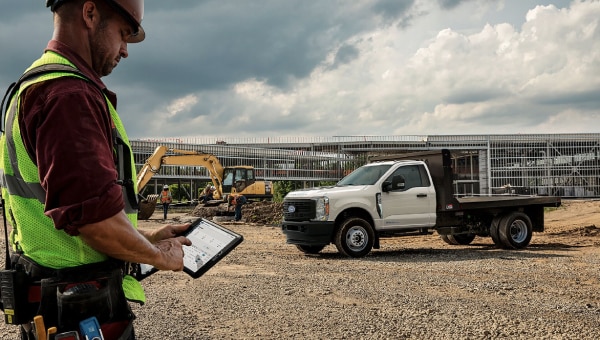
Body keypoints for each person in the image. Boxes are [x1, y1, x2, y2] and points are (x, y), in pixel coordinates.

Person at [0, 1, 191, 339]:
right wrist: (159, 255)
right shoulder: (68, 95)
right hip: (82, 312)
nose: (125, 50)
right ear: (90, 13)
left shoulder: (33, 84)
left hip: (55, 304)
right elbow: (94, 221)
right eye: (122, 34)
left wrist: (143, 237)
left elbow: (69, 215)